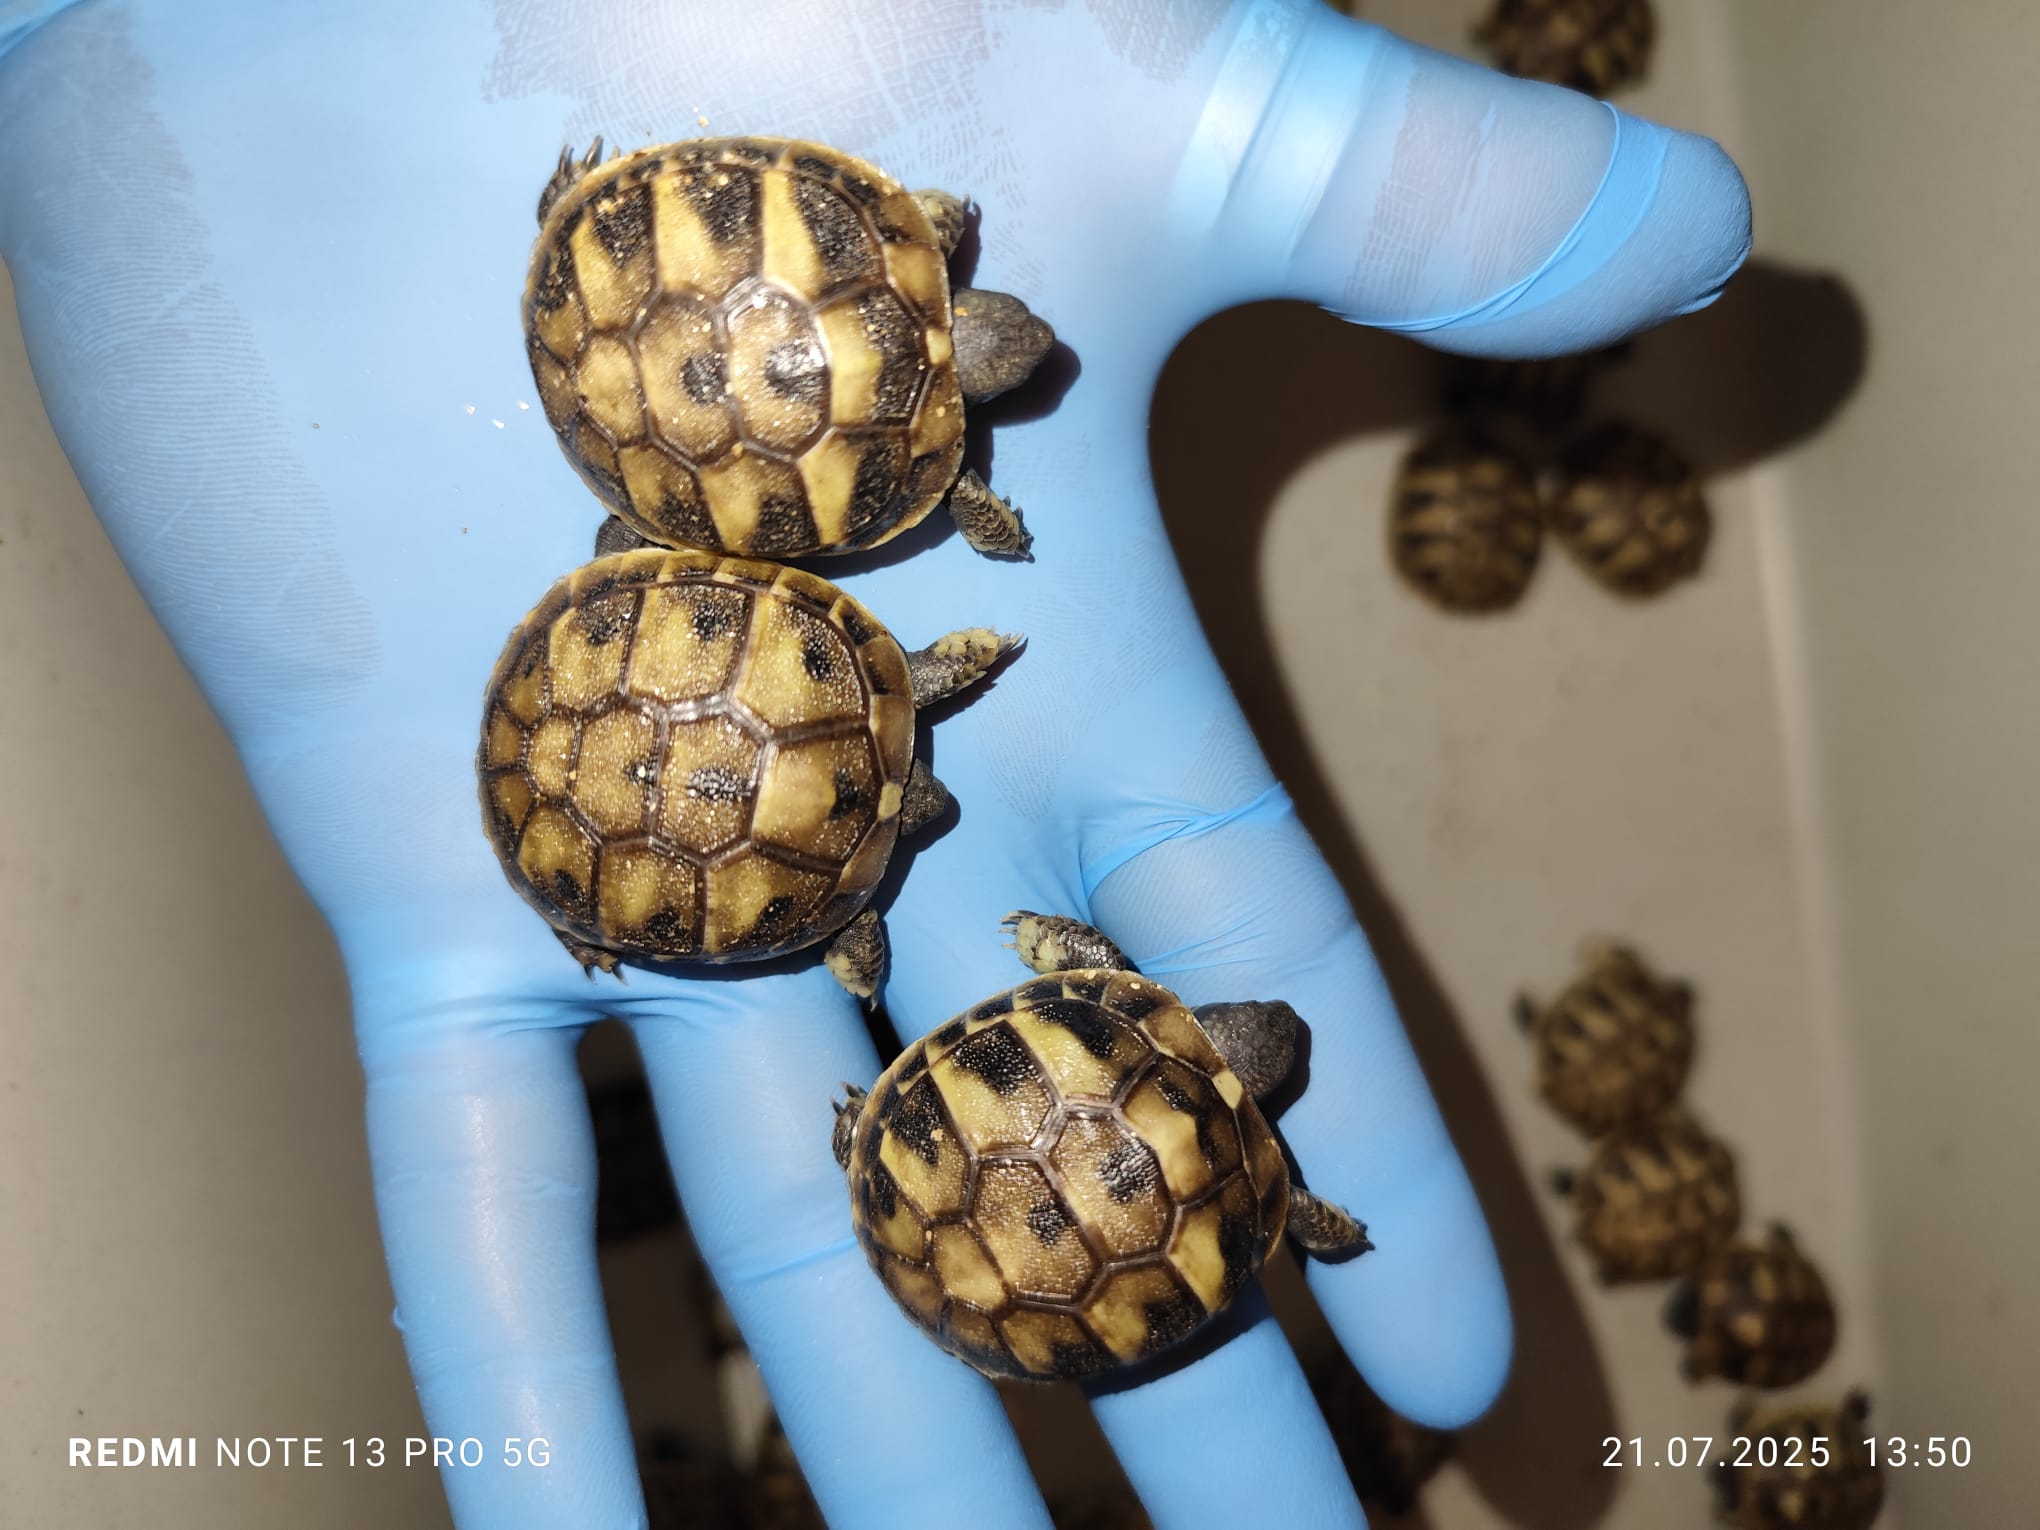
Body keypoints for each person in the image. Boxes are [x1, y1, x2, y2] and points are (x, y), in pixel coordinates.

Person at [0, 2, 1749, 1525]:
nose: (1024, 356)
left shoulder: (918, 531)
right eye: (1011, 362)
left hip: (678, 605)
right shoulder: (933, 487)